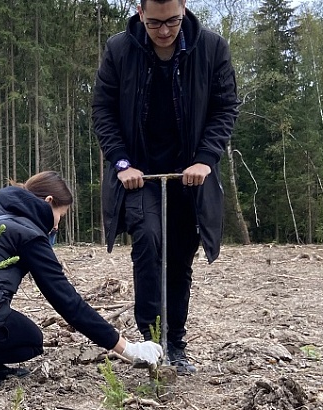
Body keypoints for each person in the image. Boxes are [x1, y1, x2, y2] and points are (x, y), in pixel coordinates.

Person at [91, 0, 239, 374]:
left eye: (172, 21)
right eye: (155, 23)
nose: (164, 31)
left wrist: (206, 158)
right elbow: (103, 111)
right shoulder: (119, 49)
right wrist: (121, 163)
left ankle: (176, 343)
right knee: (148, 241)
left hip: (191, 175)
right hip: (138, 175)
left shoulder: (212, 48)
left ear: (184, 8)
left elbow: (225, 108)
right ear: (140, 12)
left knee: (179, 255)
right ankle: (151, 340)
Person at [0, 171, 163, 403]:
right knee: (29, 340)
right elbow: (68, 303)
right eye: (61, 215)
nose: (57, 226)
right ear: (49, 201)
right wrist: (127, 348)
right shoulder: (29, 234)